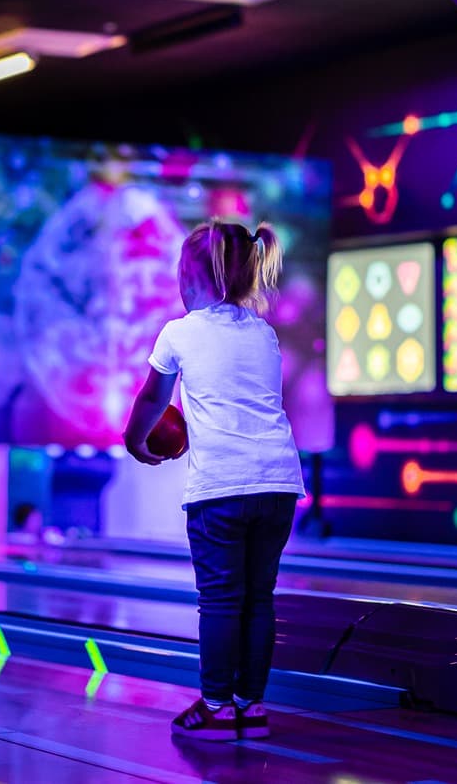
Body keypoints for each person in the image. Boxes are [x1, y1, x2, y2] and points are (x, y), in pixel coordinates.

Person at [124, 220, 304, 742]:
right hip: (278, 484)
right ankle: (252, 706)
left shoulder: (178, 332)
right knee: (259, 597)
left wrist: (135, 441)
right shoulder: (263, 333)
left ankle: (217, 707)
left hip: (220, 487)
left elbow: (153, 400)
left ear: (193, 277)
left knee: (222, 599)